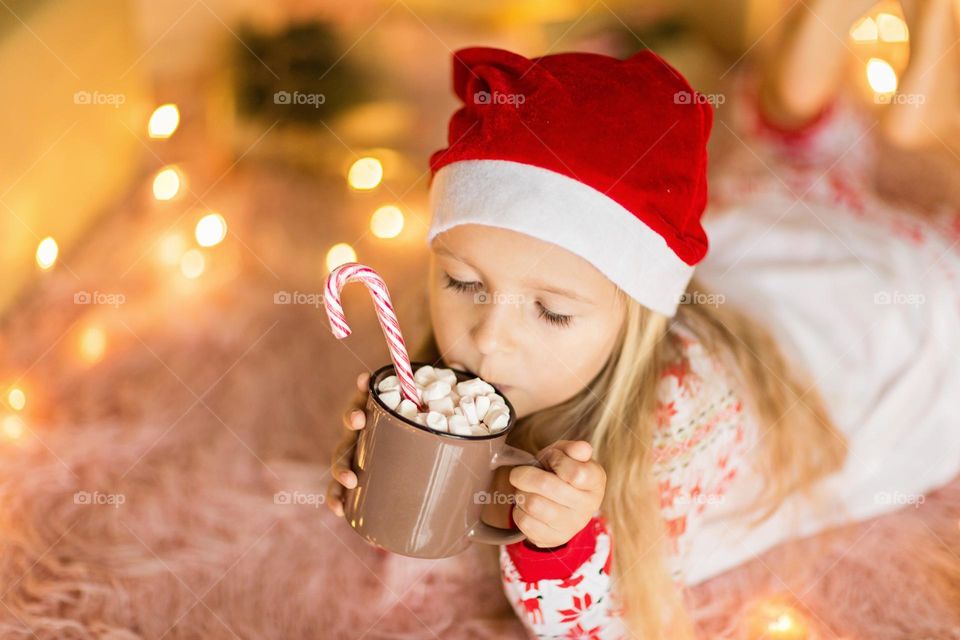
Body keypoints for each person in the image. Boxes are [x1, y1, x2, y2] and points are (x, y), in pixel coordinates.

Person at [326, 1, 960, 637]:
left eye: (551, 312)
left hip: (898, 314)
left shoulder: (673, 428)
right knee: (791, 162)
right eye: (463, 281)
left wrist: (559, 548)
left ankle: (917, 103)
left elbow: (620, 623)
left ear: (633, 321)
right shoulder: (476, 339)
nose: (489, 339)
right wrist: (391, 469)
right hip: (770, 246)